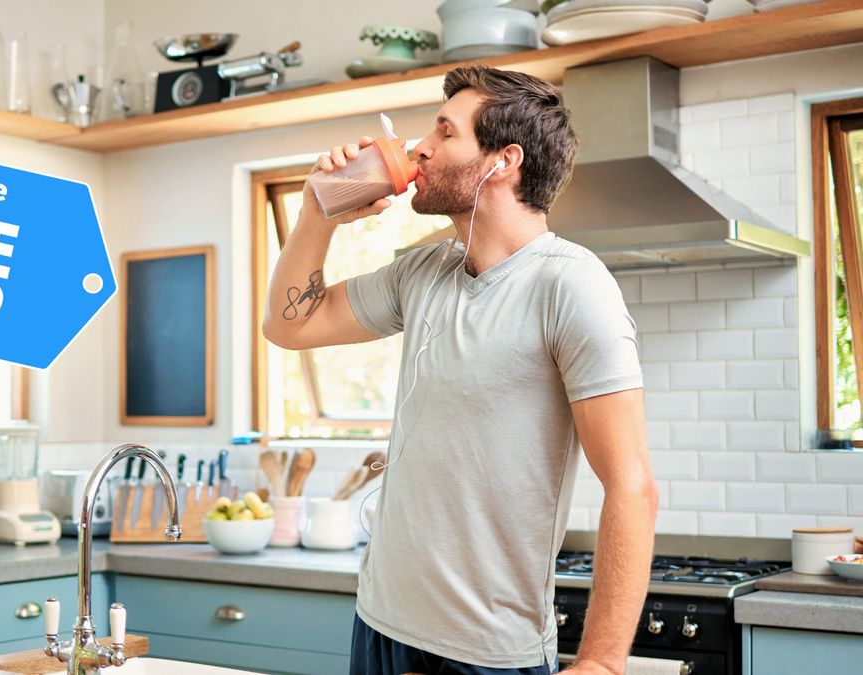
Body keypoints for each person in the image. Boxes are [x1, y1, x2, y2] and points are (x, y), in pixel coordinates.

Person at [261, 65, 658, 675]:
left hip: (488, 653)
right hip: (381, 624)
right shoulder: (421, 272)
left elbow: (632, 486)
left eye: (445, 133)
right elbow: (290, 326)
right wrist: (318, 212)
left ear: (503, 161)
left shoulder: (570, 285)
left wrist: (603, 663)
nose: (419, 147)